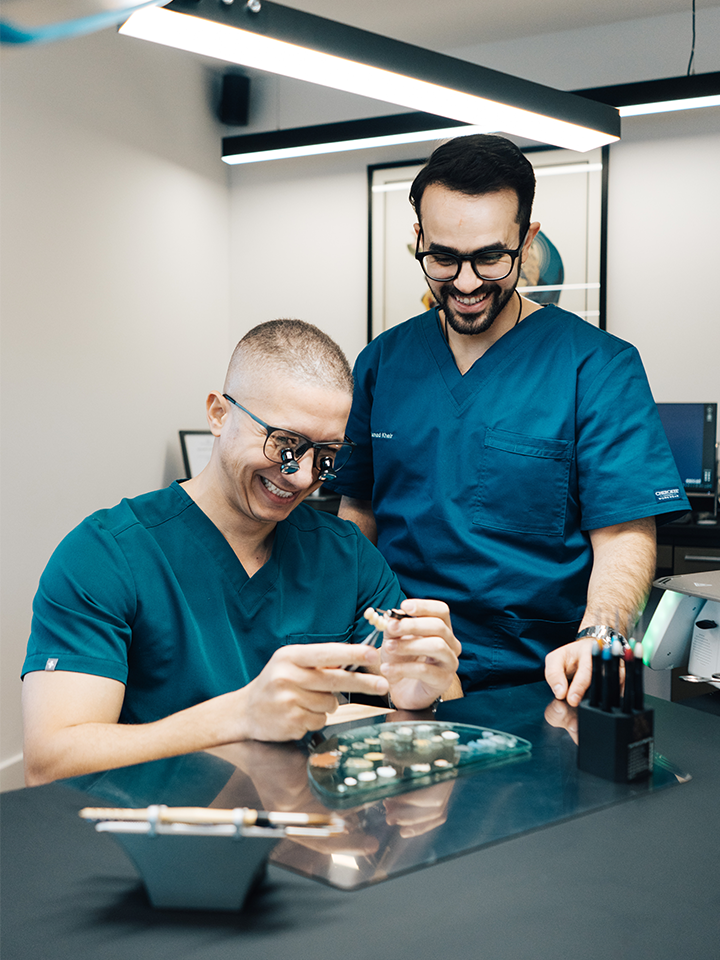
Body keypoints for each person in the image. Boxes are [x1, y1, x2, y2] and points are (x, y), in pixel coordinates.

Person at [330, 134, 688, 706]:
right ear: (418, 241)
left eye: (490, 258)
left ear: (527, 240)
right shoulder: (382, 362)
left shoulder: (596, 366)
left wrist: (600, 634)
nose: (466, 283)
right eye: (443, 258)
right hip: (394, 675)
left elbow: (623, 531)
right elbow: (359, 511)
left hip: (534, 684)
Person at [22, 320, 462, 786]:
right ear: (218, 414)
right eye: (285, 445)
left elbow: (439, 705)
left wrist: (418, 696)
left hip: (307, 838)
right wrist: (237, 718)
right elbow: (50, 762)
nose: (302, 477)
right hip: (154, 844)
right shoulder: (106, 556)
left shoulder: (346, 556)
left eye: (326, 455)